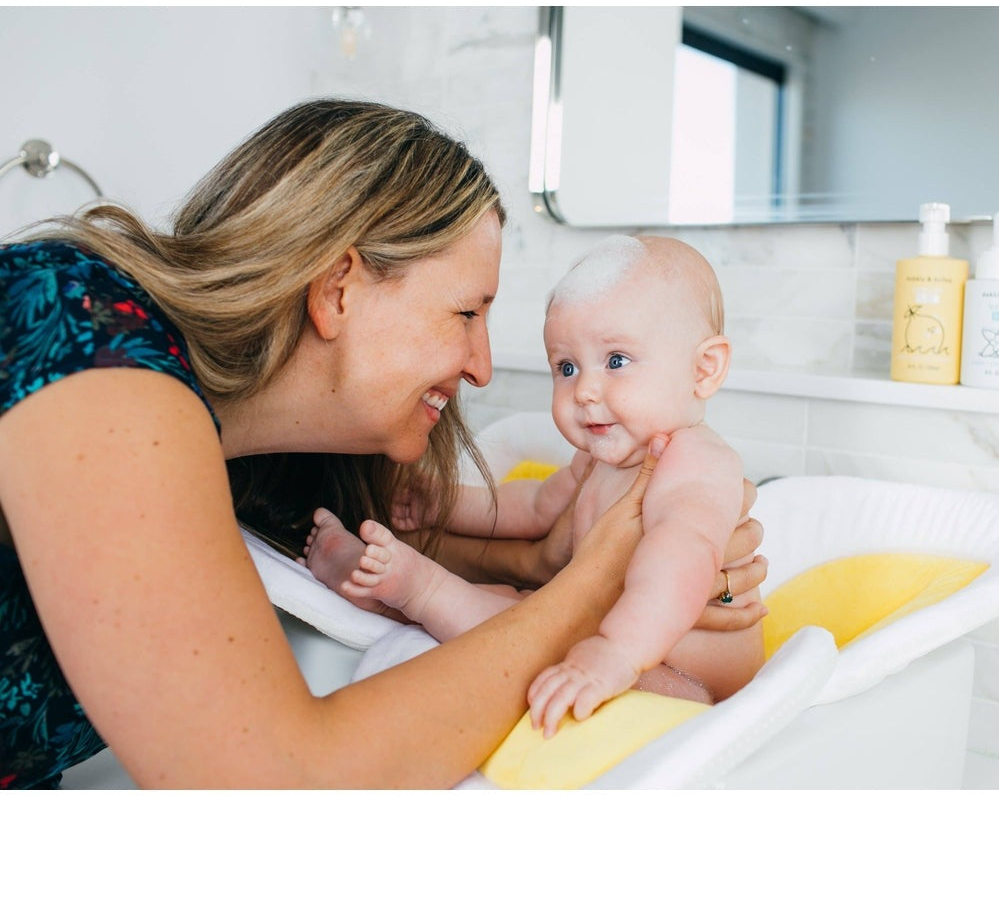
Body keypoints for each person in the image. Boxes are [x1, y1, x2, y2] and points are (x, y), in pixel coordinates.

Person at [0, 98, 765, 789]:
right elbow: (275, 784)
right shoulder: (81, 335)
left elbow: (487, 549)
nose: (482, 365)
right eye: (466, 313)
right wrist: (598, 586)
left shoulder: (254, 460)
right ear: (338, 289)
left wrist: (671, 571)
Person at [303, 235, 763, 737]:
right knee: (516, 608)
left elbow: (678, 561)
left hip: (678, 670)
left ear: (704, 369)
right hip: (593, 617)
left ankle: (417, 588)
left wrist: (617, 651)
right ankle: (387, 584)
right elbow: (537, 507)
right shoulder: (600, 457)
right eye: (566, 367)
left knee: (531, 629)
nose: (584, 392)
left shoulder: (696, 460)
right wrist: (441, 502)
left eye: (615, 360)